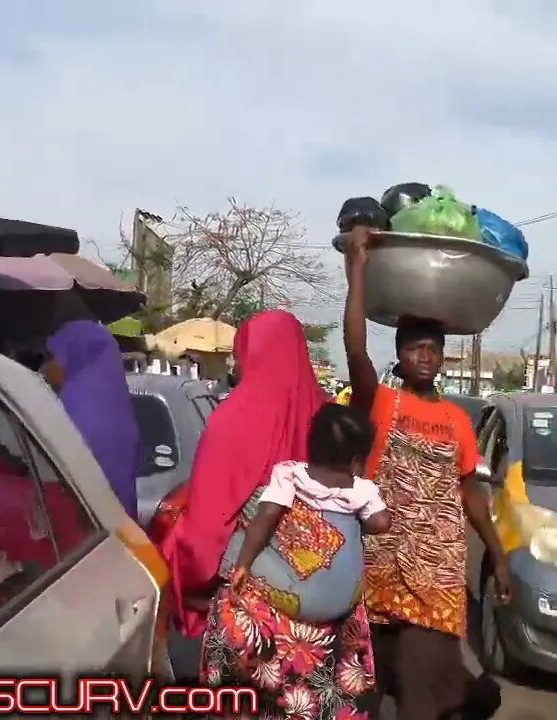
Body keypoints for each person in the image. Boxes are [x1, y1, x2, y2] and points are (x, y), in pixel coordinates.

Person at [160, 311, 380, 717]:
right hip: (329, 619)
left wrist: (186, 579)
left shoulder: (233, 420)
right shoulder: (326, 417)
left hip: (257, 621)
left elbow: (207, 528)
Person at [343, 225, 509, 719]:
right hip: (379, 566)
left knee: (419, 685)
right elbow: (354, 349)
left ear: (442, 357)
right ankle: (467, 695)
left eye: (433, 350)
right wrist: (358, 268)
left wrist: (498, 557)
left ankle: (459, 697)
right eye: (415, 348)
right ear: (399, 353)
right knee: (372, 675)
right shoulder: (381, 402)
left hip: (437, 575)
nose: (425, 357)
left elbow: (470, 494)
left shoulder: (457, 421)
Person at [229, 403, 392, 593]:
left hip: (293, 580)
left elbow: (268, 515)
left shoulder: (289, 474)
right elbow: (381, 522)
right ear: (357, 462)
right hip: (340, 591)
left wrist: (243, 564)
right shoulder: (363, 489)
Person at [44, 320, 141, 519]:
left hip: (85, 527)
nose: (49, 364)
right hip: (122, 529)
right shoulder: (118, 411)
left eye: (53, 356)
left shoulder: (72, 415)